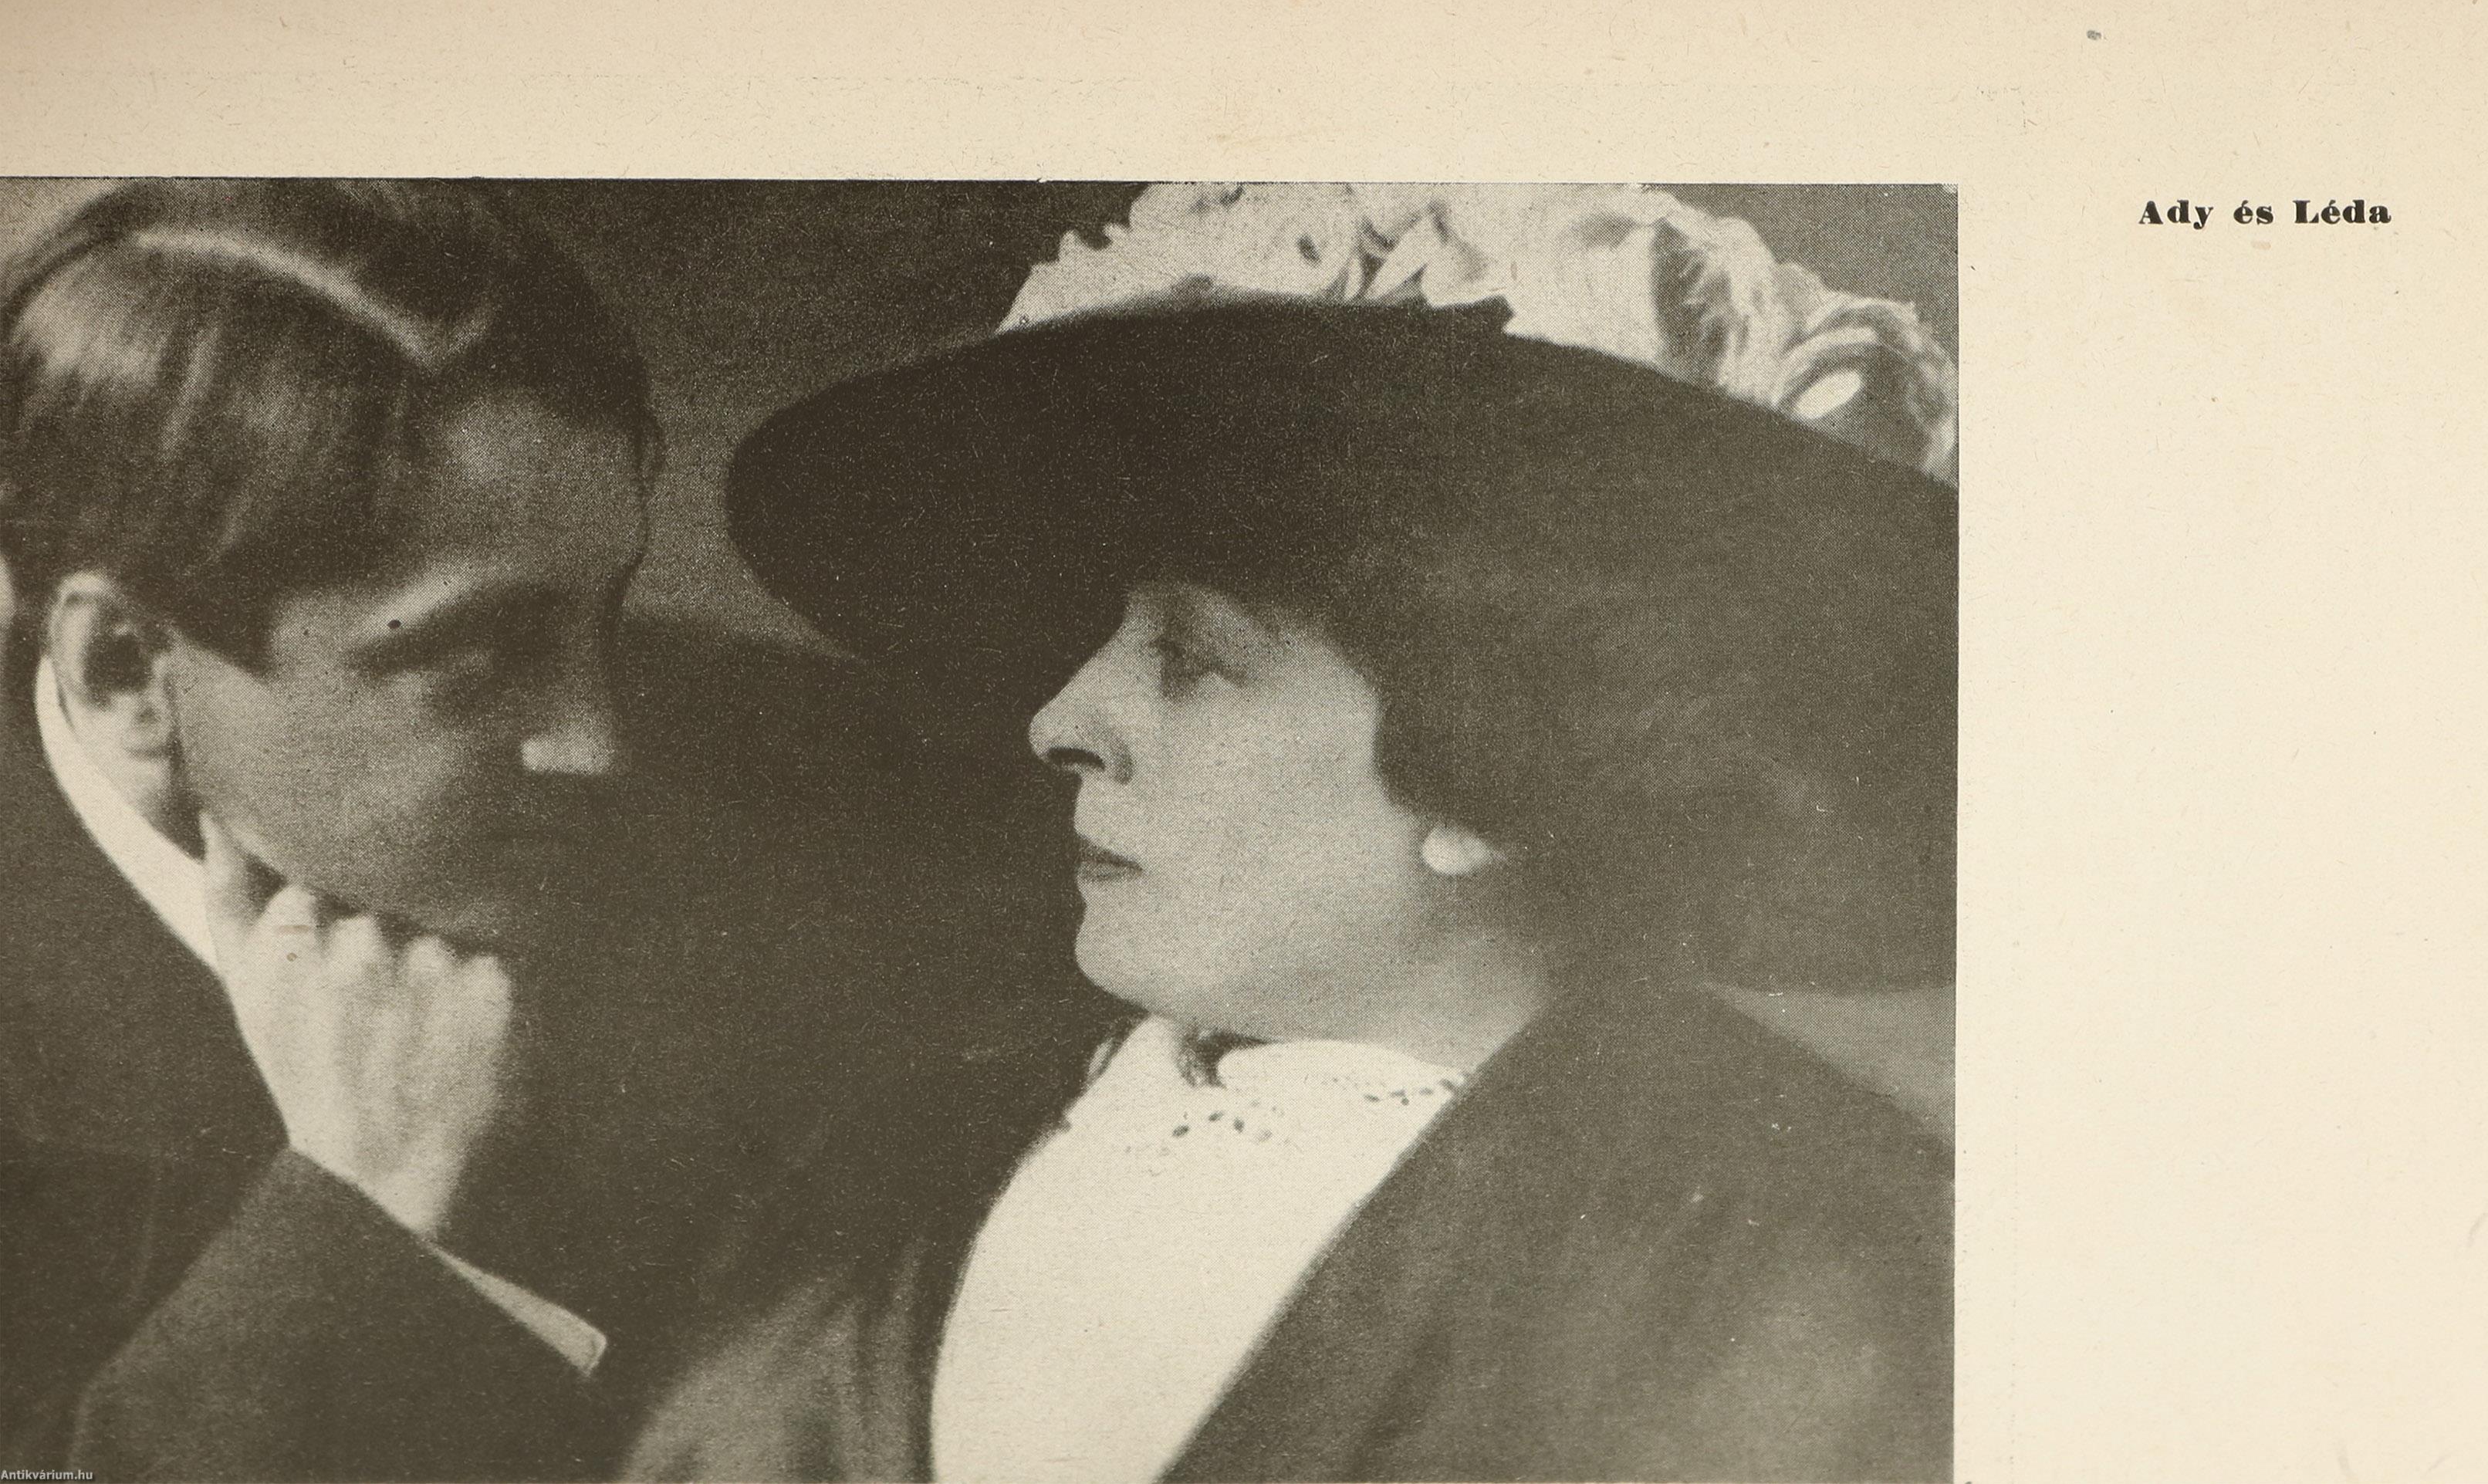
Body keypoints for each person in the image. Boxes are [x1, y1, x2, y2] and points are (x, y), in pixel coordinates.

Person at [629, 288, 1957, 1482]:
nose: (1061, 721)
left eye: (1193, 660)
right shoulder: (885, 1151)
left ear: (1490, 780)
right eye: (1103, 641)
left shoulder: (1794, 1261)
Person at [0, 178, 671, 1475]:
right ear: (125, 669)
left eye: (610, 613)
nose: (600, 745)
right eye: (479, 653)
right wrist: (359, 1218)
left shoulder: (829, 779)